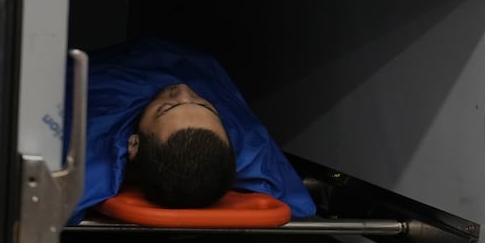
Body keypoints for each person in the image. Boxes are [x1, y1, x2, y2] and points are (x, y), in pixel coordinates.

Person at [75, 36, 315, 220]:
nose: (183, 91)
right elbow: (297, 204)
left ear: (134, 144)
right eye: (206, 107)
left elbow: (61, 205)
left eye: (165, 109)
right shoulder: (247, 142)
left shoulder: (94, 155)